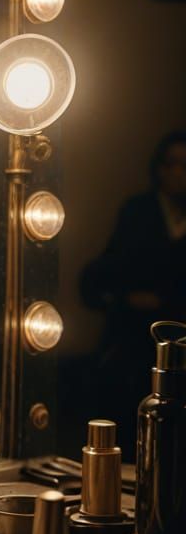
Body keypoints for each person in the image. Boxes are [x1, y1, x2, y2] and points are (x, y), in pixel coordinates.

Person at [78, 130, 186, 449]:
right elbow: (101, 277)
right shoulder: (139, 212)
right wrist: (127, 299)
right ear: (159, 169)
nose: (178, 173)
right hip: (133, 344)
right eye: (172, 164)